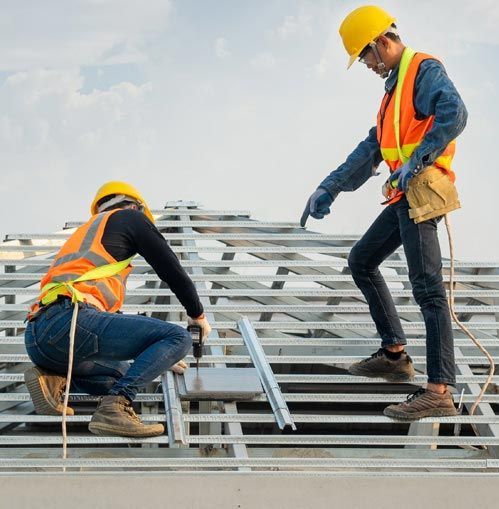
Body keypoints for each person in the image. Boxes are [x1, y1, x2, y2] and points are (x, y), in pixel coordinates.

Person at [301, 5, 468, 419]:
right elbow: (371, 149)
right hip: (401, 197)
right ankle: (394, 355)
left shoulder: (422, 71)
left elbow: (454, 113)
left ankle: (439, 390)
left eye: (365, 57)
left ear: (381, 43)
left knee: (428, 289)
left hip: (422, 193)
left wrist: (419, 159)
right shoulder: (393, 93)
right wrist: (330, 186)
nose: (367, 65)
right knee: (361, 260)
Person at [24, 181, 211, 436]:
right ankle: (116, 407)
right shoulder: (130, 218)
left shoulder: (86, 238)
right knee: (177, 336)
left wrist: (160, 357)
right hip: (70, 320)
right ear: (136, 206)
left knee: (122, 374)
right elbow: (170, 268)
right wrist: (197, 314)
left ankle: (54, 380)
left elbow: (104, 325)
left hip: (40, 337)